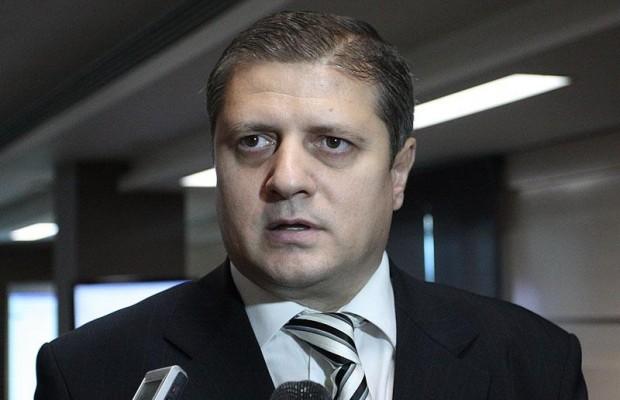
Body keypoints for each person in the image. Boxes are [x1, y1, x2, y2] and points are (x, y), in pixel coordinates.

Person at [35, 11, 587, 400]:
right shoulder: (88, 374)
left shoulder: (534, 361)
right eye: (253, 141)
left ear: (397, 172)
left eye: (332, 142)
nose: (287, 179)